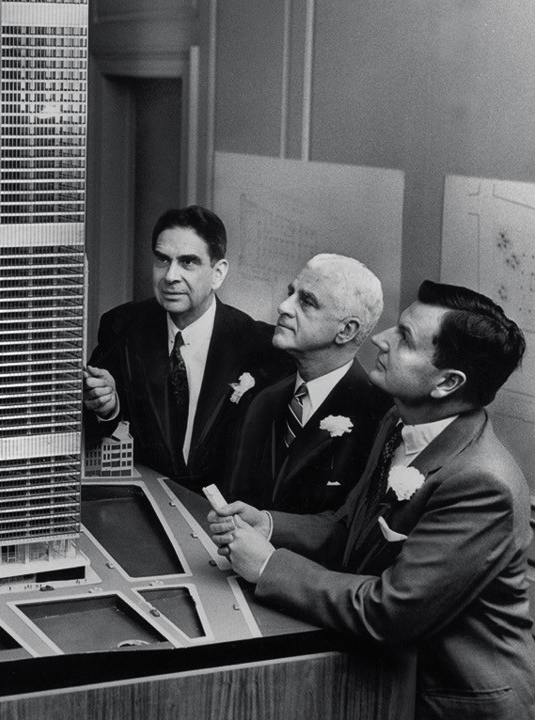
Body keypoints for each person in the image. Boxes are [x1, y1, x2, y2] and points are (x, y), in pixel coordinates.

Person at [210, 281, 535, 720]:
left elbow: (392, 611)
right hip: (386, 678)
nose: (381, 339)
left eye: (405, 338)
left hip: (449, 702)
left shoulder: (481, 483)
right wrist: (269, 524)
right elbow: (349, 527)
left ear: (447, 382)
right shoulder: (398, 422)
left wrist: (268, 566)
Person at [83, 205, 292, 490]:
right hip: (149, 498)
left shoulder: (259, 344)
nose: (170, 276)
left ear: (218, 273)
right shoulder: (122, 326)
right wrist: (108, 407)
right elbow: (87, 422)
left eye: (188, 262)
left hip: (224, 507)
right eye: (162, 260)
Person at [228, 254, 392, 513]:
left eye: (306, 301)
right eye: (290, 293)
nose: (283, 306)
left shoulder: (379, 417)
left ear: (346, 331)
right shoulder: (264, 398)